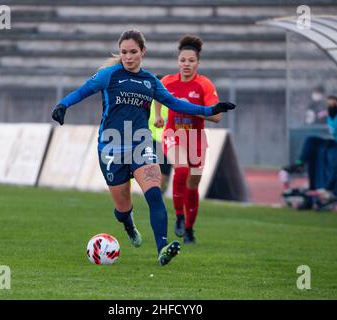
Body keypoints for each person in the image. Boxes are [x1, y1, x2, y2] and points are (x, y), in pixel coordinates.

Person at [51, 30, 236, 266]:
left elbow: (176, 103)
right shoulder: (109, 76)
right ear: (120, 53)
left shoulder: (150, 81)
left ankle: (162, 248)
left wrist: (210, 110)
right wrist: (62, 105)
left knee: (155, 194)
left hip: (141, 145)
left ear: (143, 52)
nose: (128, 57)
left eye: (133, 52)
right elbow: (83, 90)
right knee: (122, 208)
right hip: (111, 147)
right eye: (124, 52)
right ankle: (128, 225)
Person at [153, 35, 221, 244]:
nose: (186, 64)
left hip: (196, 139)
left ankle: (190, 229)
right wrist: (158, 116)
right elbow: (157, 95)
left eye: (191, 61)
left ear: (198, 63)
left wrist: (192, 109)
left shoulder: (204, 85)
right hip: (173, 135)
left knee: (192, 185)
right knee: (180, 169)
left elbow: (216, 116)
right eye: (183, 60)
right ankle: (179, 217)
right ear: (178, 61)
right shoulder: (168, 82)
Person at [148, 75, 171, 194]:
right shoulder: (147, 100)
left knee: (165, 172)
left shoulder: (169, 101)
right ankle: (154, 193)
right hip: (150, 138)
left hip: (167, 140)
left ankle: (161, 193)